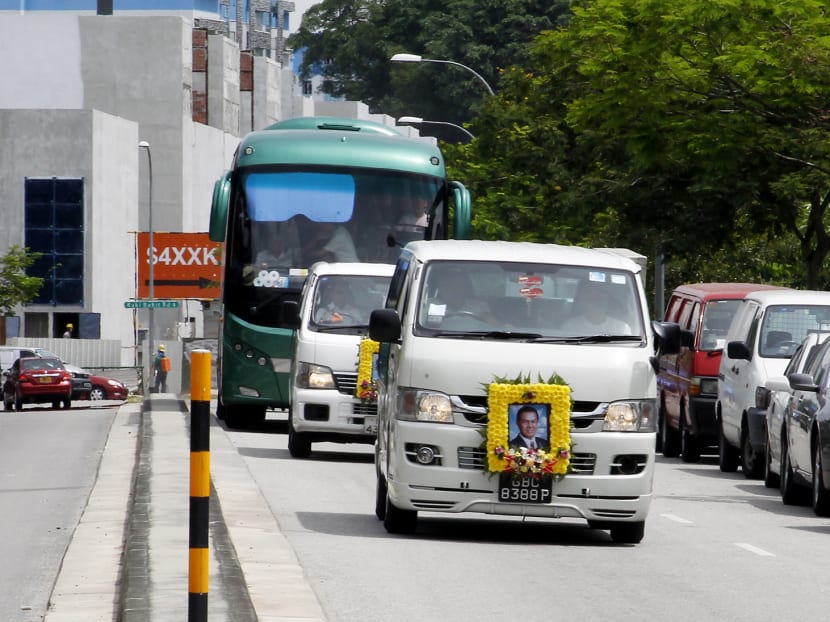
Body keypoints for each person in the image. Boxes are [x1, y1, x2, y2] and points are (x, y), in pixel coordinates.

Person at [561, 280, 633, 335]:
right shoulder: (571, 326)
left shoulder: (621, 328)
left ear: (607, 301)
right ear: (582, 301)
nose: (596, 303)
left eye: (599, 299)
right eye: (591, 299)